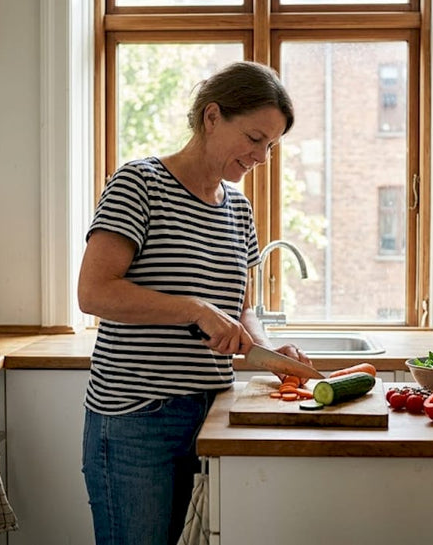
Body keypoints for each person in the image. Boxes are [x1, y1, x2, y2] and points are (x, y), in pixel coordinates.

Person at [78, 61, 312, 545]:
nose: (262, 157)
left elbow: (241, 308)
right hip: (136, 418)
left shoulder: (240, 209)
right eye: (254, 138)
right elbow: (94, 292)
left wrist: (268, 353)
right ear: (211, 117)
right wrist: (193, 308)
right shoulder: (138, 184)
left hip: (210, 413)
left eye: (271, 145)